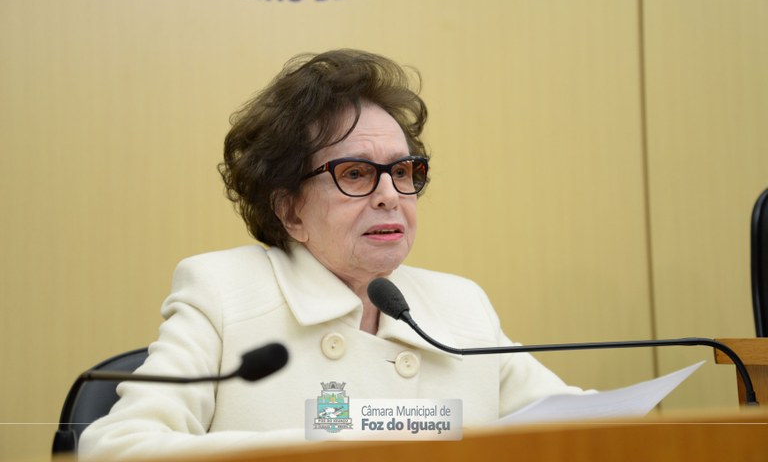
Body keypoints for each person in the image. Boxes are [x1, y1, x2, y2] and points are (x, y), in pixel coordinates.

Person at [79, 49, 581, 459]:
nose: (390, 195)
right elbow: (118, 448)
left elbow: (583, 428)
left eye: (402, 171)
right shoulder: (223, 294)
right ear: (289, 210)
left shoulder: (460, 305)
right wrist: (337, 449)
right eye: (355, 174)